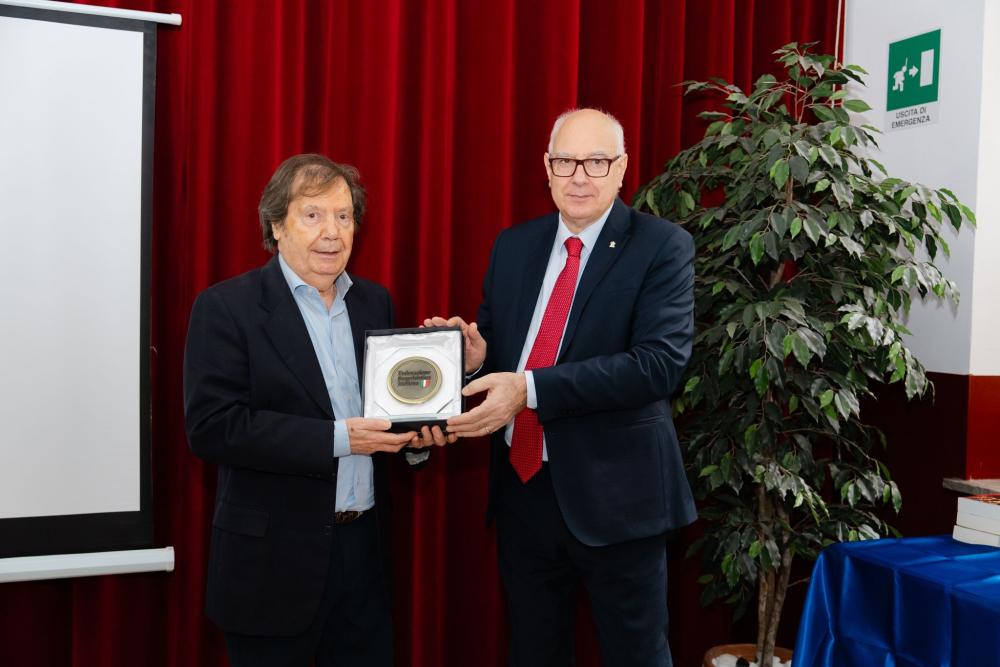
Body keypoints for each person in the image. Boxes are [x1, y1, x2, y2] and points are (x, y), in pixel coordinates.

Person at [427, 109, 697, 666]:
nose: (579, 176)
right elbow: (504, 353)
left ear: (621, 169)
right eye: (566, 162)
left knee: (636, 656)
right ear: (546, 168)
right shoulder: (514, 246)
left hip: (618, 497)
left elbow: (657, 365)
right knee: (534, 651)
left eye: (596, 162)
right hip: (524, 489)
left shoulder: (661, 246)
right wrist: (476, 359)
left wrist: (528, 388)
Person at [184, 153, 451, 667]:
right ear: (276, 225)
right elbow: (213, 428)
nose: (332, 231)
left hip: (364, 557)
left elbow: (387, 415)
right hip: (272, 566)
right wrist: (340, 438)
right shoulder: (226, 308)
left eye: (344, 216)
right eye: (313, 215)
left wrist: (415, 443)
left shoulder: (375, 302)